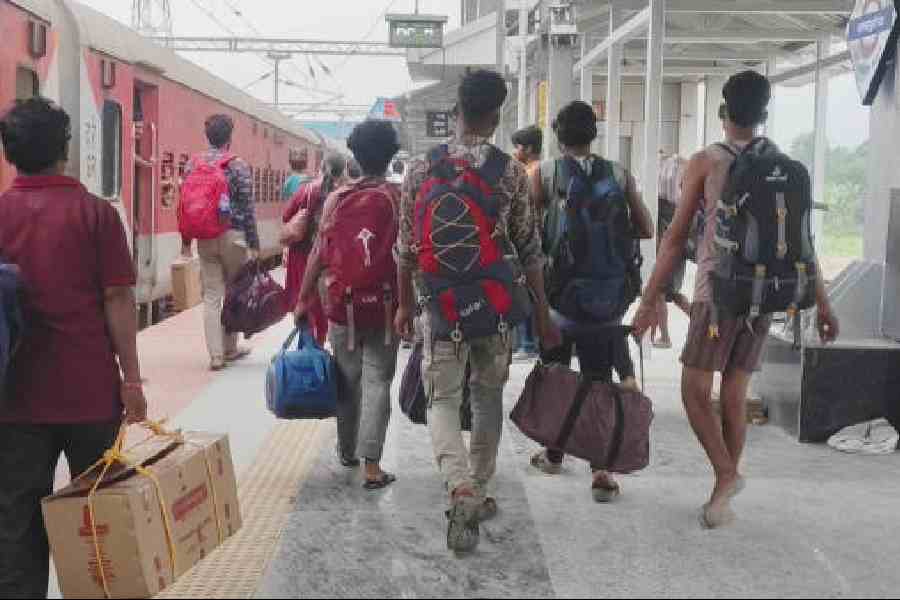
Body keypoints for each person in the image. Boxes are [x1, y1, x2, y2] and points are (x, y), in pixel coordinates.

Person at [632, 71, 840, 528]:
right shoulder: (782, 164)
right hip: (764, 295)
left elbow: (674, 239)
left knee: (692, 391)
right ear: (763, 113)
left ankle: (726, 475)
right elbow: (804, 243)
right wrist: (823, 304)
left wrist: (648, 301)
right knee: (733, 394)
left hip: (717, 293)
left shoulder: (707, 161)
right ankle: (721, 497)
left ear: (724, 111)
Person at [396, 69, 562, 553]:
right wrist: (542, 314)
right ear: (495, 118)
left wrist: (403, 305)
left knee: (442, 400)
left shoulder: (420, 169)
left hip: (439, 305)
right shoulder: (510, 172)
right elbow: (530, 251)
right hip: (494, 306)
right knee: (487, 397)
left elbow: (405, 249)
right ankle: (481, 486)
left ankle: (459, 487)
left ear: (456, 112)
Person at [0, 98, 147, 599]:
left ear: (10, 153)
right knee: (100, 518)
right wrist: (131, 380)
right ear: (64, 149)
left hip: (15, 399)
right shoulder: (97, 215)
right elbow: (118, 299)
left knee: (16, 525)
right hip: (90, 395)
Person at [527, 100, 653, 502]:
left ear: (557, 136)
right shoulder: (618, 173)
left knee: (557, 377)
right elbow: (647, 228)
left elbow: (527, 234)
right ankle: (601, 471)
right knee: (599, 380)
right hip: (607, 300)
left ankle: (553, 454)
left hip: (561, 299)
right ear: (594, 134)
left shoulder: (545, 173)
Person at [295, 120, 401, 489]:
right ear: (391, 155)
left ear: (355, 155)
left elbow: (319, 253)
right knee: (378, 380)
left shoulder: (337, 199)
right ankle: (372, 466)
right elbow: (409, 256)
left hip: (344, 305)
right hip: (386, 306)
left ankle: (346, 449)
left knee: (347, 377)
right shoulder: (398, 197)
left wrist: (303, 298)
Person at [181, 114, 259, 371]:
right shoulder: (238, 165)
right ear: (229, 137)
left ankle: (215, 356)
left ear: (207, 136)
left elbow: (185, 206)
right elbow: (248, 208)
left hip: (205, 237)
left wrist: (186, 240)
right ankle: (230, 348)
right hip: (233, 236)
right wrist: (254, 243)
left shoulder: (192, 164)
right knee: (234, 293)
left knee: (212, 296)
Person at [281, 153, 346, 345]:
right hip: (329, 259)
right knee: (323, 308)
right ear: (343, 171)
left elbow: (286, 216)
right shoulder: (344, 194)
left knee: (305, 306)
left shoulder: (307, 190)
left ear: (321, 168)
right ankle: (319, 345)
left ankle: (307, 346)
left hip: (302, 256)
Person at [652, 151, 692, 349]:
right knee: (673, 294)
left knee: (660, 293)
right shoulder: (680, 205)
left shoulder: (660, 205)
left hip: (667, 252)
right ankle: (700, 324)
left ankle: (665, 337)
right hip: (678, 251)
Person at [511, 125, 544, 360]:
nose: (515, 152)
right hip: (534, 239)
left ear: (529, 149)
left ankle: (528, 343)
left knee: (525, 291)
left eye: (518, 147)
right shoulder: (536, 170)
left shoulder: (531, 173)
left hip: (530, 241)